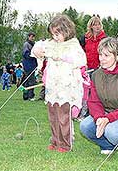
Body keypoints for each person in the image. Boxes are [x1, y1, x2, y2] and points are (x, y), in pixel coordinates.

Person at [80, 37, 118, 157]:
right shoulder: (97, 75)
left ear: (117, 56)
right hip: (108, 113)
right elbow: (94, 101)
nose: (102, 59)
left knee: (112, 131)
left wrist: (108, 119)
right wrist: (99, 118)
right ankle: (108, 145)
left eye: (106, 55)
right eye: (100, 55)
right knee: (85, 126)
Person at [32, 14, 86, 152]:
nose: (55, 37)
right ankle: (55, 141)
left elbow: (81, 60)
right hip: (52, 87)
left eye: (58, 33)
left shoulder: (73, 45)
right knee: (53, 115)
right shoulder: (50, 44)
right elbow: (37, 48)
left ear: (66, 31)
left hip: (66, 87)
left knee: (63, 116)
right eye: (53, 34)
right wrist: (37, 51)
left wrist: (61, 57)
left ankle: (65, 143)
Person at [22, 32, 38, 101]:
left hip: (32, 64)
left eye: (34, 37)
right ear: (29, 37)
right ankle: (30, 96)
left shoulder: (33, 44)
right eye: (32, 37)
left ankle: (26, 96)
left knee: (28, 81)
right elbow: (25, 54)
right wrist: (33, 54)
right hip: (28, 65)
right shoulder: (27, 44)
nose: (33, 38)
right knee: (31, 81)